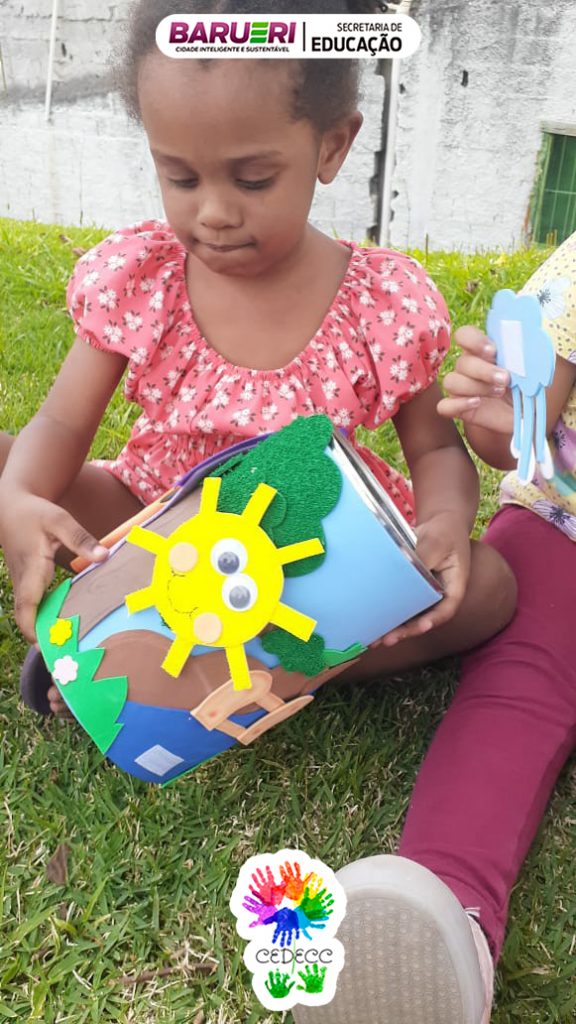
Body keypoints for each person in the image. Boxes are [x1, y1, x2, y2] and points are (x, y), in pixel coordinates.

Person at [0, 0, 513, 994]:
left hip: (316, 565)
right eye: (180, 175)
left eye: (250, 178)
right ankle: (119, 631)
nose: (212, 212)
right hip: (153, 522)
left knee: (488, 588)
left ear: (331, 147)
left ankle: (293, 668)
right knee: (11, 463)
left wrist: (447, 521)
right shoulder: (146, 278)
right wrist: (21, 500)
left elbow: (433, 447)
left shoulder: (380, 300)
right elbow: (59, 430)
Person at [298, 232, 576, 1024]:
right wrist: (502, 414)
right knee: (516, 697)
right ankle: (445, 918)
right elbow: (516, 429)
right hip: (563, 530)